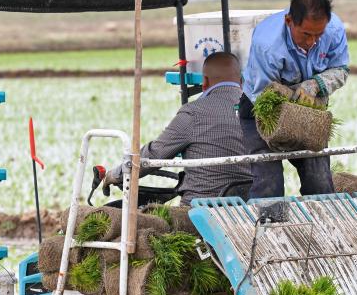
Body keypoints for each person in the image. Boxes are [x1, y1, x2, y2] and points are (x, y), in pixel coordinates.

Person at [239, 0, 350, 198]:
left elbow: (341, 69)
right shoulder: (268, 44)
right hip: (261, 111)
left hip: (308, 111)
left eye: (318, 35)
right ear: (289, 21)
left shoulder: (334, 29)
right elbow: (265, 98)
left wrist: (314, 85)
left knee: (319, 182)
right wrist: (295, 96)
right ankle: (268, 228)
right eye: (306, 34)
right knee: (269, 184)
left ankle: (321, 225)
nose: (312, 42)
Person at [105, 52, 252, 205]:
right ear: (241, 80)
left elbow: (155, 154)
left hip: (201, 211)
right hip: (248, 207)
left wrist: (114, 175)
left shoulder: (194, 112)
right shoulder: (256, 110)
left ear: (205, 81)